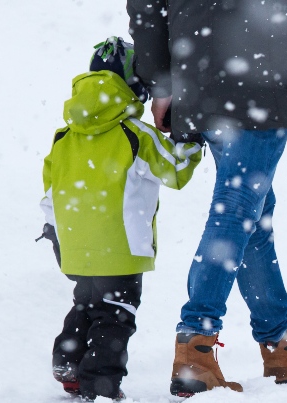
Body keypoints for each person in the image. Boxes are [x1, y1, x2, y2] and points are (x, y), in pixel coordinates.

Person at [126, 0, 287, 396]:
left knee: (251, 210)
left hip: (201, 72)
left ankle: (280, 343)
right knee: (238, 205)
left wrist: (163, 82)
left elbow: (148, 6)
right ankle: (196, 344)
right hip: (266, 65)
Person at [37, 36, 202, 402]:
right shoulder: (134, 134)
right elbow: (175, 170)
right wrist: (191, 139)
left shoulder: (63, 137)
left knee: (87, 302)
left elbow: (51, 189)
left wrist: (54, 230)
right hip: (120, 243)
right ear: (135, 88)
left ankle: (69, 362)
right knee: (116, 314)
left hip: (74, 243)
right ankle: (101, 382)